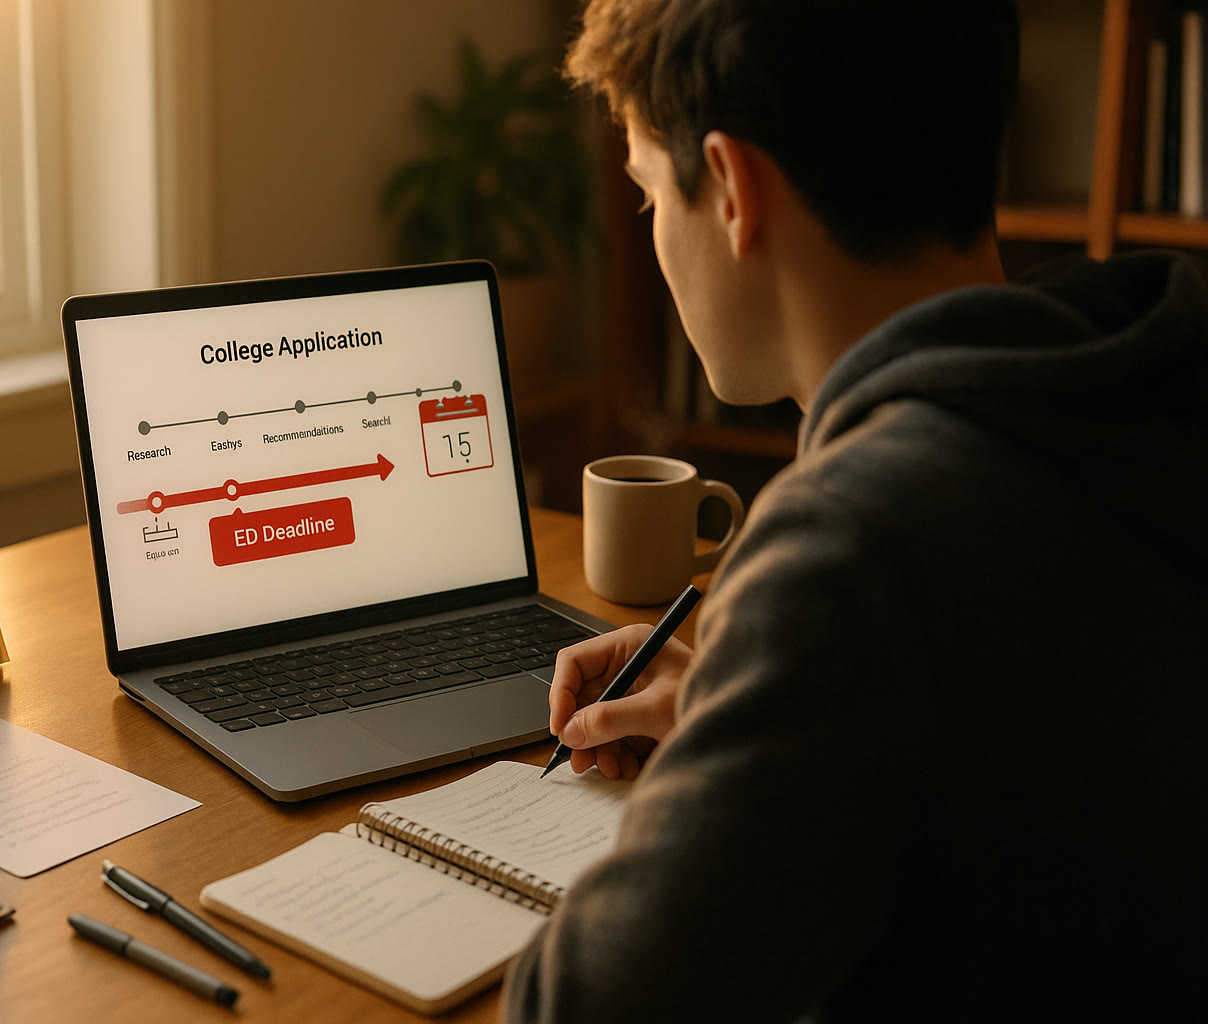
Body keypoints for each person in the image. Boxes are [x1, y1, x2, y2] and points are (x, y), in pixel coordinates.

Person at [503, 1, 1208, 1020]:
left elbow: (575, 1007)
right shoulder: (1152, 390)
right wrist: (746, 707)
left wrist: (722, 760)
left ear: (734, 191)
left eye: (652, 192)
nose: (656, 232)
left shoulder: (850, 553)